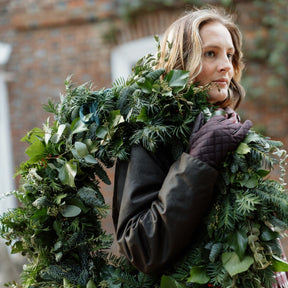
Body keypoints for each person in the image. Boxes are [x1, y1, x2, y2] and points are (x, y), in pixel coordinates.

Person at [112, 8, 286, 287]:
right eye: (210, 53)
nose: (226, 66)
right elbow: (140, 247)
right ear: (181, 62)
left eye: (229, 55)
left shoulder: (227, 127)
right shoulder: (150, 133)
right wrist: (199, 162)